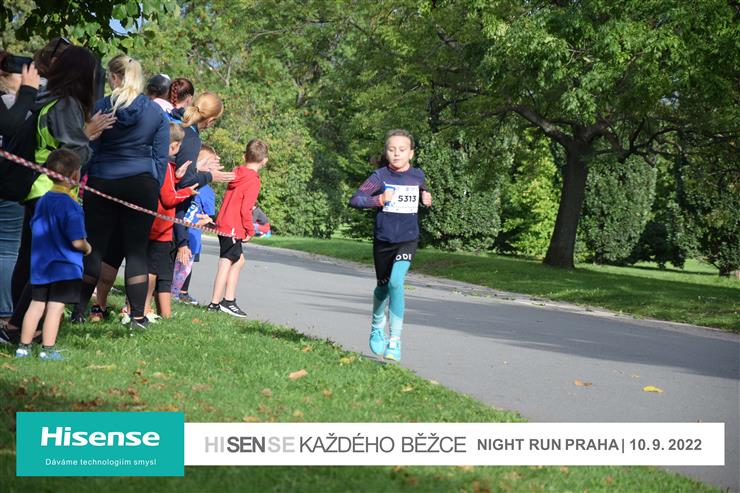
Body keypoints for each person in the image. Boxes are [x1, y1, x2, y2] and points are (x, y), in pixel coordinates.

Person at [1, 46, 113, 346]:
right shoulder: (67, 104)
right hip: (53, 190)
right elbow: (72, 154)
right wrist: (87, 137)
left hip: (38, 190)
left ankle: (19, 324)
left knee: (30, 258)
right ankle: (22, 326)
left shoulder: (48, 99)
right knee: (45, 264)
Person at [77, 54, 169, 330]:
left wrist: (84, 179)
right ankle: (138, 317)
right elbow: (160, 157)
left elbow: (91, 148)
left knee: (94, 248)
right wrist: (153, 185)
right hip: (141, 184)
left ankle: (79, 310)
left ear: (115, 77)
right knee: (137, 252)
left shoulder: (102, 108)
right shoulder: (155, 113)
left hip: (103, 181)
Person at [348, 129, 432, 362]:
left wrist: (426, 197)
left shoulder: (417, 175)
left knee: (396, 282)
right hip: (384, 240)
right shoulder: (379, 176)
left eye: (402, 150)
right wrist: (378, 200)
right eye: (392, 149)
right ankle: (377, 325)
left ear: (411, 153)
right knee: (383, 288)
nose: (396, 154)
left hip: (408, 239)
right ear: (386, 152)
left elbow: (423, 190)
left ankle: (395, 340)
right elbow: (355, 199)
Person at [15, 149, 91, 360]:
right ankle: (47, 349)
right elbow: (77, 241)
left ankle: (23, 347)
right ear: (74, 175)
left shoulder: (42, 201)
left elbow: (34, 226)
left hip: (41, 265)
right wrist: (87, 248)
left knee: (35, 305)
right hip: (64, 268)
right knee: (55, 308)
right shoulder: (71, 206)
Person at [207, 139, 268, 317]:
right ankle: (220, 302)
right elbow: (246, 209)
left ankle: (224, 301)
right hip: (233, 227)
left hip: (224, 223)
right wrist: (250, 230)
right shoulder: (253, 180)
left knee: (236, 261)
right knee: (227, 263)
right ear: (264, 160)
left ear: (244, 156)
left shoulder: (236, 173)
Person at [173, 92, 233, 272]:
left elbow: (180, 170)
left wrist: (199, 168)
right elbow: (185, 182)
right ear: (211, 120)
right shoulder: (191, 138)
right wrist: (210, 176)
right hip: (171, 210)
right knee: (160, 275)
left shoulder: (176, 123)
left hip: (163, 203)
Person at [144, 123, 198, 319]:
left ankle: (147, 309)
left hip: (154, 226)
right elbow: (168, 199)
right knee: (151, 270)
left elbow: (165, 188)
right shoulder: (164, 165)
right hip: (159, 229)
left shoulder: (157, 162)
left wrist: (176, 178)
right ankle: (143, 308)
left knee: (155, 269)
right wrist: (187, 191)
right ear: (174, 146)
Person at [0, 57, 39, 328]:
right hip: (9, 184)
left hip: (12, 184)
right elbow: (11, 126)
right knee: (7, 250)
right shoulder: (15, 104)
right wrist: (28, 92)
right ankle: (5, 312)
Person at [174, 145, 218, 305]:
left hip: (192, 237)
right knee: (173, 266)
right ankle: (170, 293)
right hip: (177, 234)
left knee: (185, 268)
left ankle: (178, 293)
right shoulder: (186, 183)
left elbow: (210, 217)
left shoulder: (207, 191)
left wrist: (205, 221)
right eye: (209, 164)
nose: (213, 169)